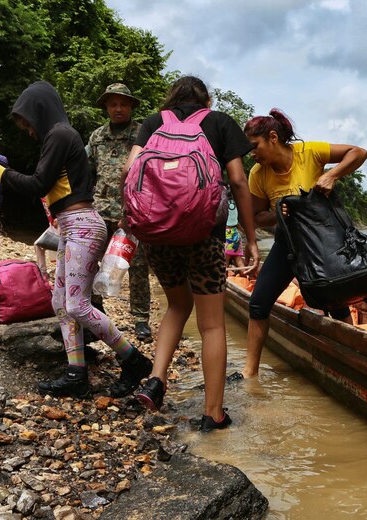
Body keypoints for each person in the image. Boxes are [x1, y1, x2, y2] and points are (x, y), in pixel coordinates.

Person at [0, 80, 152, 399]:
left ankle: (133, 360)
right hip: (72, 227)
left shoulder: (60, 134)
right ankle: (76, 374)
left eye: (27, 124)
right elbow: (40, 181)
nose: (28, 131)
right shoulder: (60, 138)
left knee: (78, 305)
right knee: (60, 303)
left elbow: (36, 185)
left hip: (83, 226)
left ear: (38, 112)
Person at [124, 76, 259, 431]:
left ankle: (156, 379)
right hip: (204, 237)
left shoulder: (154, 124)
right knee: (212, 323)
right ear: (207, 100)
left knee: (177, 305)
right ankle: (213, 413)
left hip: (157, 235)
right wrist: (250, 237)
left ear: (171, 98)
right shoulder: (218, 123)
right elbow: (239, 181)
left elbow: (129, 170)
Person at [242, 109, 367, 378]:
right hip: (286, 244)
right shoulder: (258, 173)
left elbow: (359, 153)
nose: (252, 154)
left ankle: (353, 361)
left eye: (255, 147)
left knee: (336, 301)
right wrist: (278, 212)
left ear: (273, 138)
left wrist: (332, 175)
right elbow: (254, 217)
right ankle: (249, 372)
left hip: (321, 246)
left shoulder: (309, 153)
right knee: (258, 304)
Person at [87, 83, 153, 342]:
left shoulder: (142, 134)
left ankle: (140, 319)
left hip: (134, 214)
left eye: (123, 103)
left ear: (131, 106)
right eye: (113, 104)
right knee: (91, 260)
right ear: (105, 106)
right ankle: (95, 308)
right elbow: (86, 169)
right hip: (100, 211)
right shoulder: (97, 137)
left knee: (137, 267)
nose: (118, 108)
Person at [34, 197, 60, 280]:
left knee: (63, 250)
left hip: (63, 221)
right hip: (53, 224)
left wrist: (59, 218)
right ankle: (42, 273)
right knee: (38, 244)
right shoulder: (44, 192)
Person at [225, 196, 246, 272]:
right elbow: (236, 222)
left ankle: (225, 278)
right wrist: (243, 230)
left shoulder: (222, 205)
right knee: (239, 261)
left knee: (225, 261)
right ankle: (245, 276)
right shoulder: (234, 206)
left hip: (227, 235)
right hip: (235, 234)